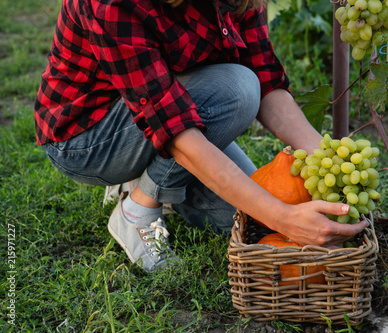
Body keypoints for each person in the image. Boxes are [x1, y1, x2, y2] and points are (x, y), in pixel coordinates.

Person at [34, 0, 368, 273]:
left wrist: (328, 160)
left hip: (160, 106)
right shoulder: (110, 3)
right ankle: (138, 208)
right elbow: (176, 130)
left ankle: (142, 176)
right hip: (87, 138)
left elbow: (266, 78)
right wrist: (285, 218)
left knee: (249, 222)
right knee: (238, 90)